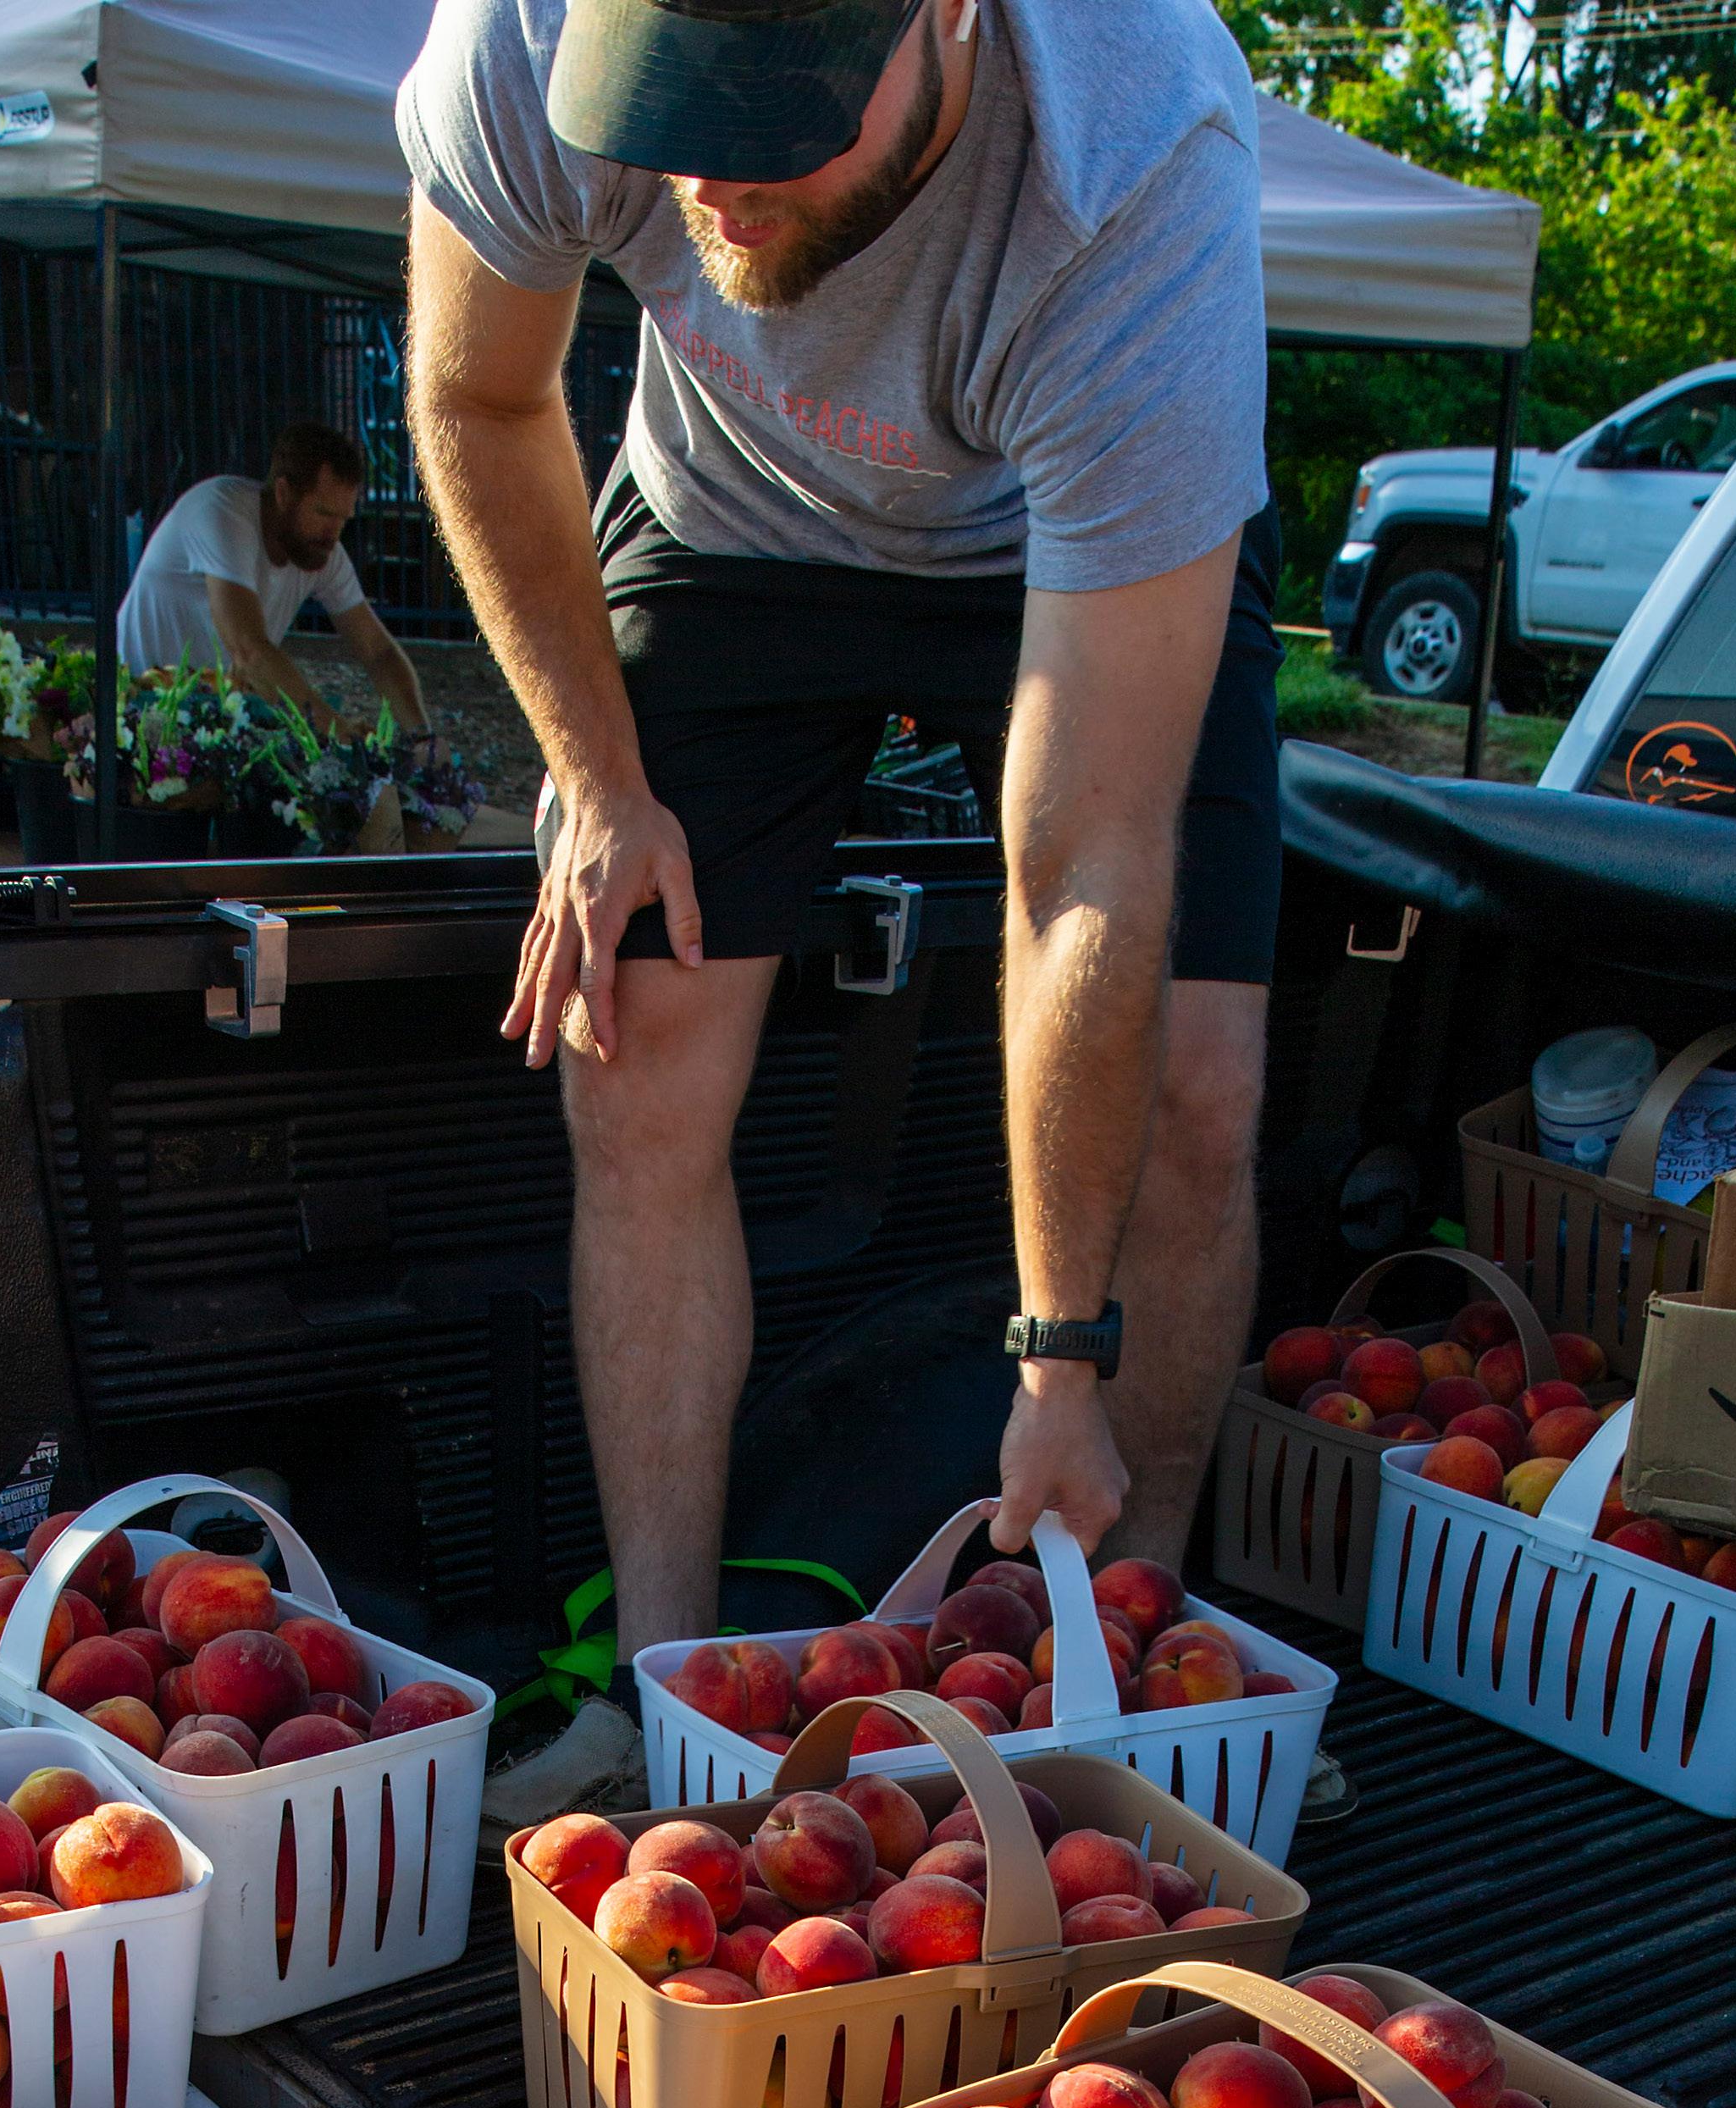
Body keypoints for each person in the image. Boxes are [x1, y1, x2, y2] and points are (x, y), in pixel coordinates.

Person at [401, 0, 1276, 1704]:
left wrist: (1056, 1359)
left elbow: (1083, 873)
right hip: (728, 517)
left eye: (773, 121)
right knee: (632, 1042)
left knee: (1196, 1082)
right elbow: (479, 393)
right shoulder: (514, 42)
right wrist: (594, 778)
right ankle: (668, 1702)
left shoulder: (1137, 161)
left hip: (1068, 538)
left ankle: (1140, 1663)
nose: (711, 184)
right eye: (667, 113)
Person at [119, 417, 432, 736]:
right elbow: (250, 652)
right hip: (132, 706)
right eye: (324, 513)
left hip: (206, 715)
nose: (334, 533)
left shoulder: (321, 548)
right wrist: (340, 732)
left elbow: (378, 653)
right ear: (283, 493)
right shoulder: (222, 512)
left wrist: (424, 738)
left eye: (343, 518)